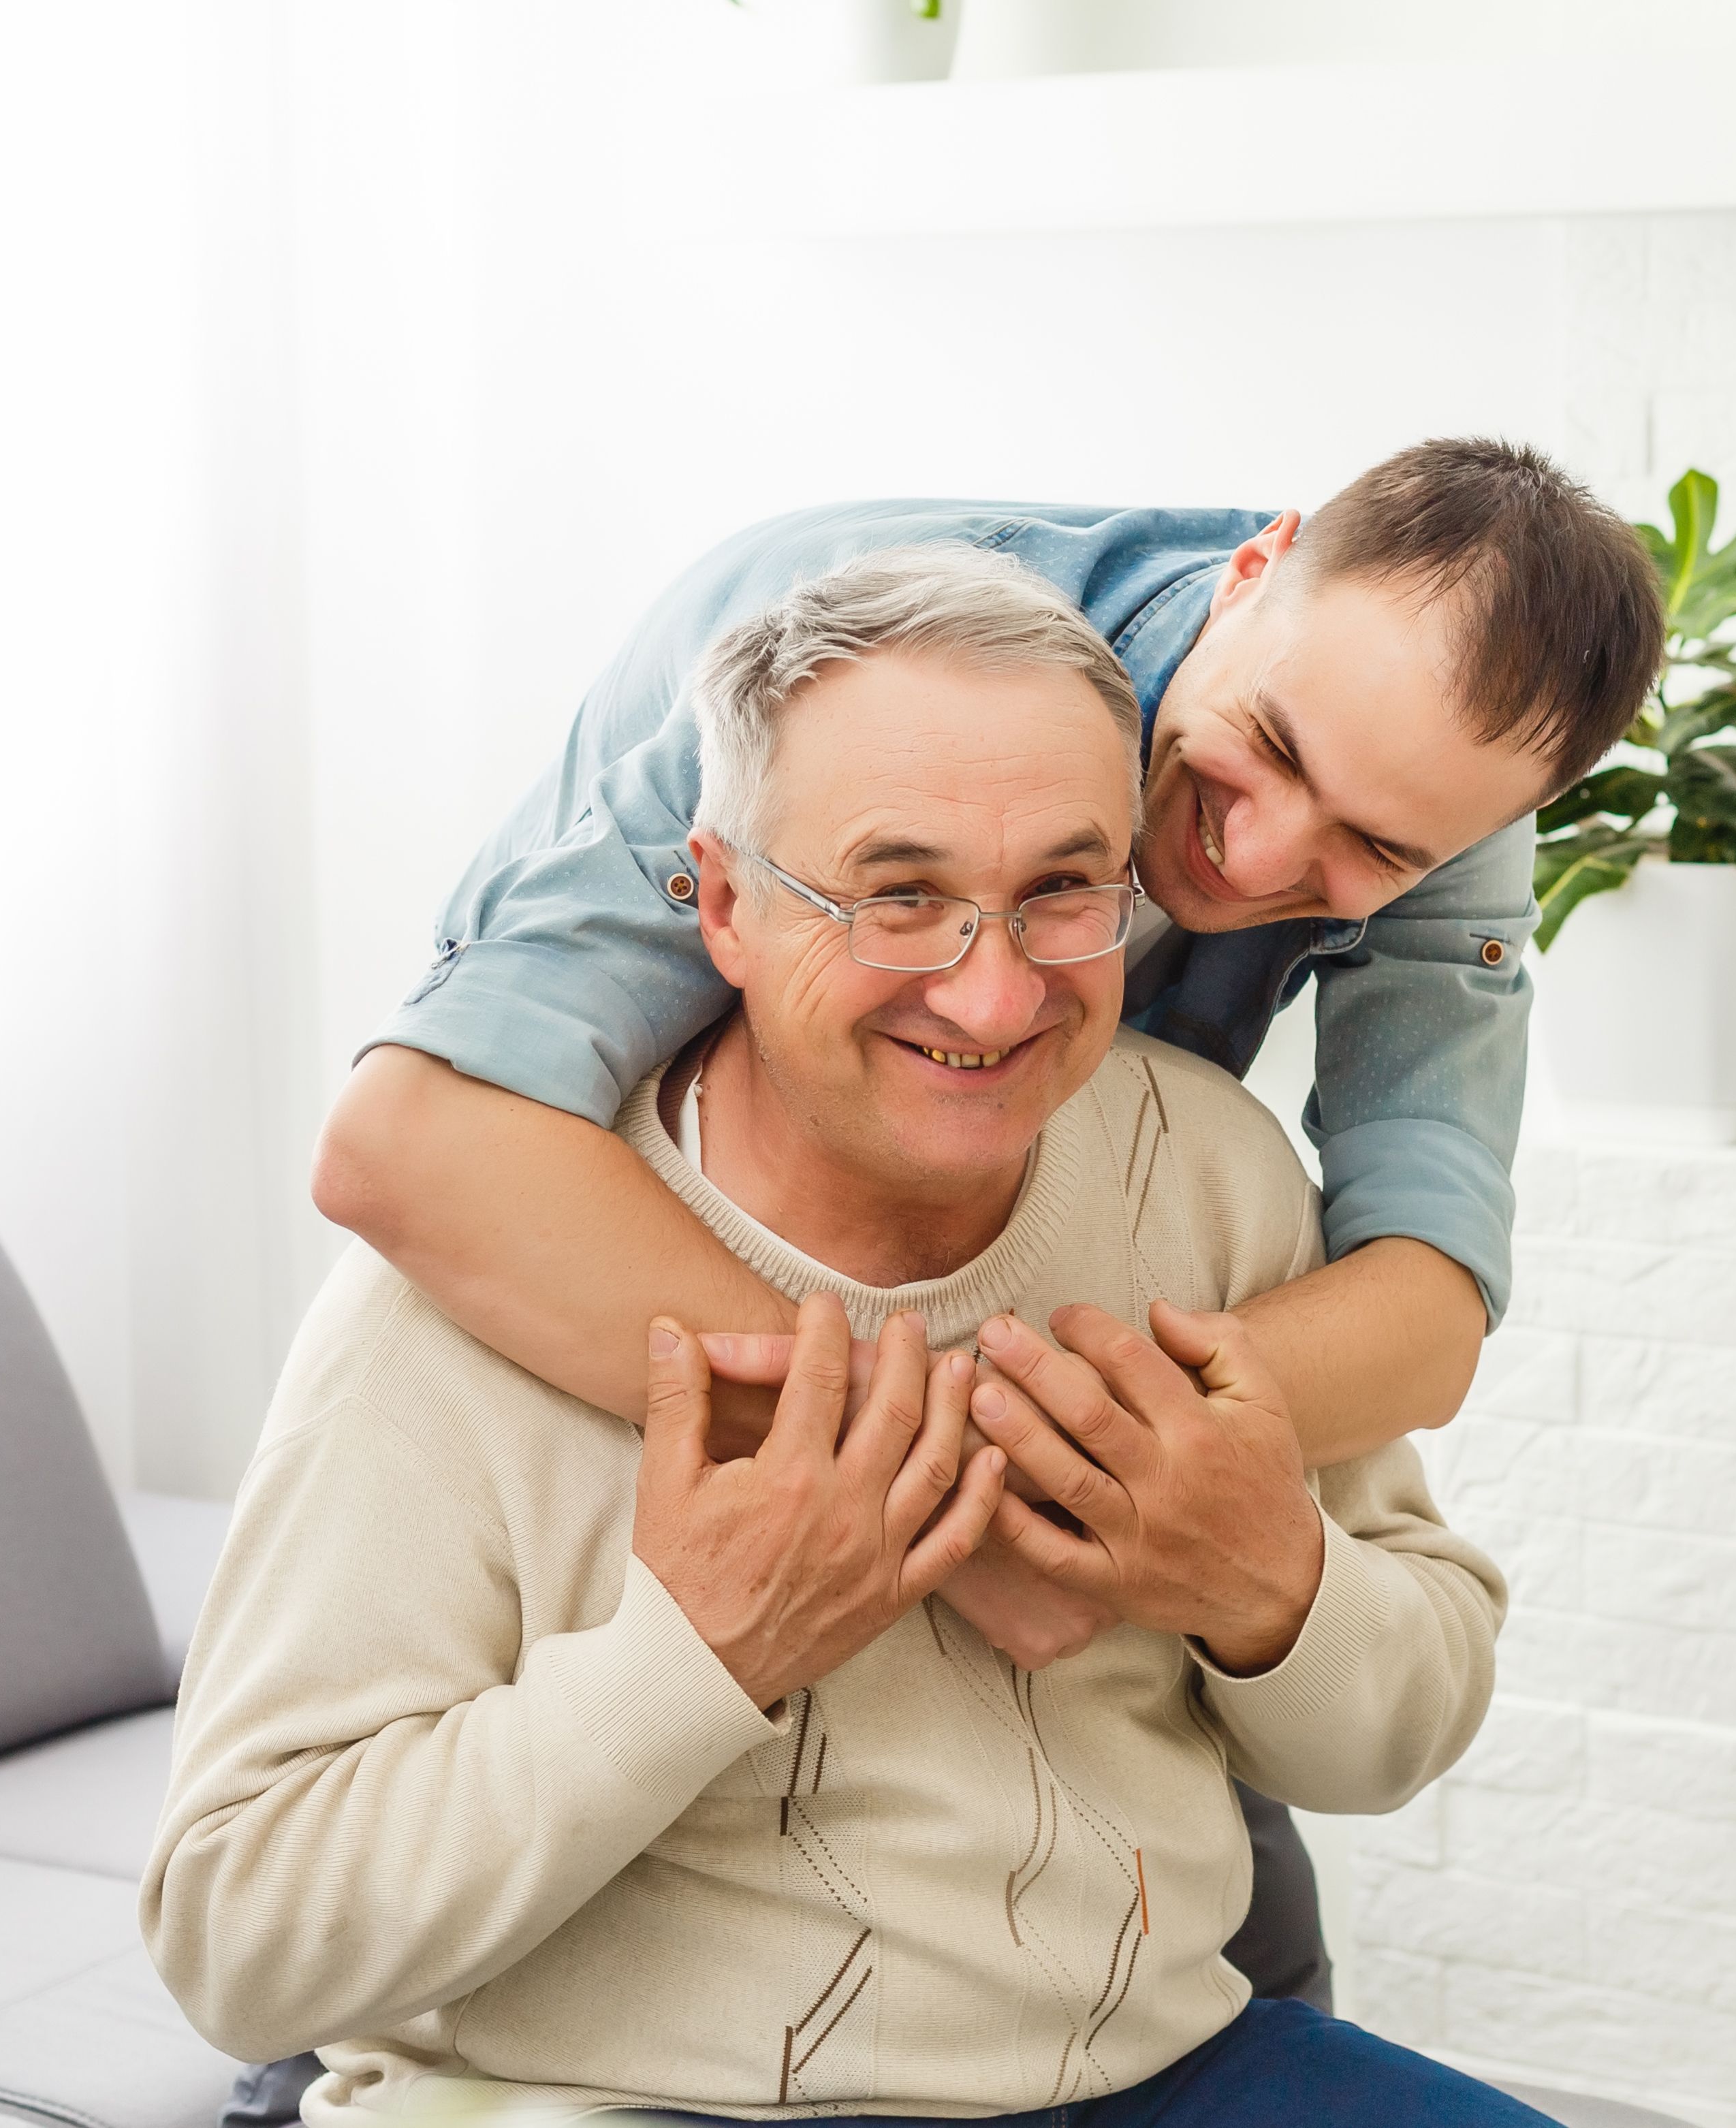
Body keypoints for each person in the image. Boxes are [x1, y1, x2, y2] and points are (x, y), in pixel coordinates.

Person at [146, 547, 1545, 2128]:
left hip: (1168, 2075)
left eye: (1061, 892)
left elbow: (1406, 1723)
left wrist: (1272, 1587)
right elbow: (234, 1944)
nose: (997, 992)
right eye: (901, 896)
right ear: (723, 903)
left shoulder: (1211, 1179)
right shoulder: (469, 1279)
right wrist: (699, 1655)